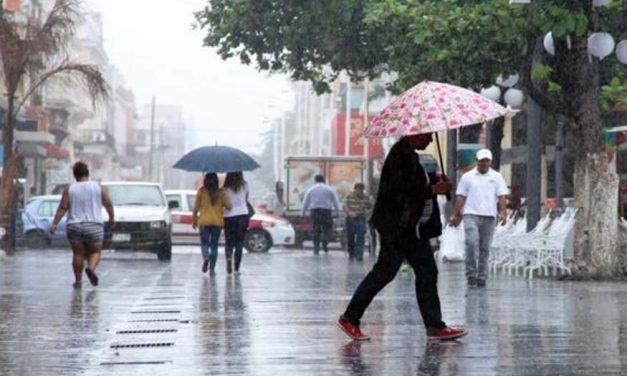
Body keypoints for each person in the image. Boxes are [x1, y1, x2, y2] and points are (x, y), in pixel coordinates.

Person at [337, 133, 468, 341]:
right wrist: (434, 189)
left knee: (427, 272)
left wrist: (434, 179)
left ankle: (435, 326)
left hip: (413, 228)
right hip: (397, 228)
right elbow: (402, 191)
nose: (431, 140)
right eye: (427, 135)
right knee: (384, 273)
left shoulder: (410, 155)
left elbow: (414, 182)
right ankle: (350, 317)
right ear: (415, 134)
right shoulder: (400, 156)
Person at [448, 148, 508, 287]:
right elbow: (461, 196)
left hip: (489, 216)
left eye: (487, 161)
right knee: (471, 243)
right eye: (481, 161)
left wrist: (503, 213)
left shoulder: (496, 177)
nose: (484, 163)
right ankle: (471, 274)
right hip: (471, 214)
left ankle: (482, 276)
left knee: (484, 247)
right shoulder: (467, 177)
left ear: (490, 162)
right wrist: (455, 214)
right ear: (477, 161)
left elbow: (502, 196)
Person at [50, 161, 114, 288]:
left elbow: (63, 208)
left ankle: (78, 281)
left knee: (78, 254)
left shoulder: (70, 189)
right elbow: (108, 204)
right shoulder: (98, 187)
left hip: (75, 226)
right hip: (94, 225)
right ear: (88, 173)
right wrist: (112, 218)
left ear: (74, 175)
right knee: (95, 251)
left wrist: (55, 224)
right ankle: (90, 268)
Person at [192, 173, 232, 275]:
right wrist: (221, 205)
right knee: (214, 246)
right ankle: (212, 268)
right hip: (217, 222)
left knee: (204, 244)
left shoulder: (201, 192)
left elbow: (195, 208)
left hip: (204, 222)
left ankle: (206, 258)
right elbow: (229, 206)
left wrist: (194, 222)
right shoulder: (221, 192)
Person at [301, 174, 340, 254]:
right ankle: (325, 242)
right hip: (326, 211)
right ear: (324, 180)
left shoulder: (311, 189)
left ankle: (316, 248)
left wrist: (303, 213)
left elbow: (306, 202)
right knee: (328, 228)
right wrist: (337, 211)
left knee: (316, 229)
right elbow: (336, 201)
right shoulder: (330, 189)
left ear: (315, 180)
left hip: (315, 211)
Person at [223, 171, 250, 274]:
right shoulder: (245, 185)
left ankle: (229, 258)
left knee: (229, 242)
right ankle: (236, 269)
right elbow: (246, 199)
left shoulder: (225, 188)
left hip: (228, 216)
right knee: (239, 242)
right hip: (242, 215)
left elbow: (224, 203)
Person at [343, 182, 372, 261]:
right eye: (358, 190)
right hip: (350, 218)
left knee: (360, 235)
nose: (360, 192)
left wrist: (365, 204)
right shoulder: (349, 196)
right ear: (355, 189)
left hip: (360, 217)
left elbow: (370, 206)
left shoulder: (365, 197)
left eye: (361, 191)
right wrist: (350, 213)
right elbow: (345, 205)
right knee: (350, 236)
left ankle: (359, 254)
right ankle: (351, 252)